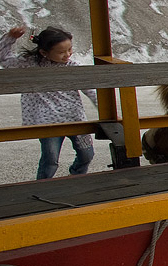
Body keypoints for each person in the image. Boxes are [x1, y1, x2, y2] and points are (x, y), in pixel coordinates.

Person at [1, 26, 98, 180]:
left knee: (87, 154)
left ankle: (77, 177)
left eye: (69, 50)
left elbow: (89, 89)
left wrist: (104, 107)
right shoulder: (31, 64)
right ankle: (43, 185)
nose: (67, 55)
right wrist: (10, 37)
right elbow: (4, 60)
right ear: (44, 53)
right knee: (50, 160)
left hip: (75, 118)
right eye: (61, 52)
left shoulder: (72, 67)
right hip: (48, 122)